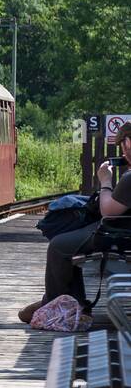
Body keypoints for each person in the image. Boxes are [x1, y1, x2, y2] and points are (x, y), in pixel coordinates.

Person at [19, 121, 131, 323]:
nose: (122, 151)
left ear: (129, 144)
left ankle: (57, 305)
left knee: (60, 245)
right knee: (73, 237)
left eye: (123, 144)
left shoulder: (130, 178)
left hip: (119, 234)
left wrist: (105, 181)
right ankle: (74, 302)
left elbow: (109, 212)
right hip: (122, 230)